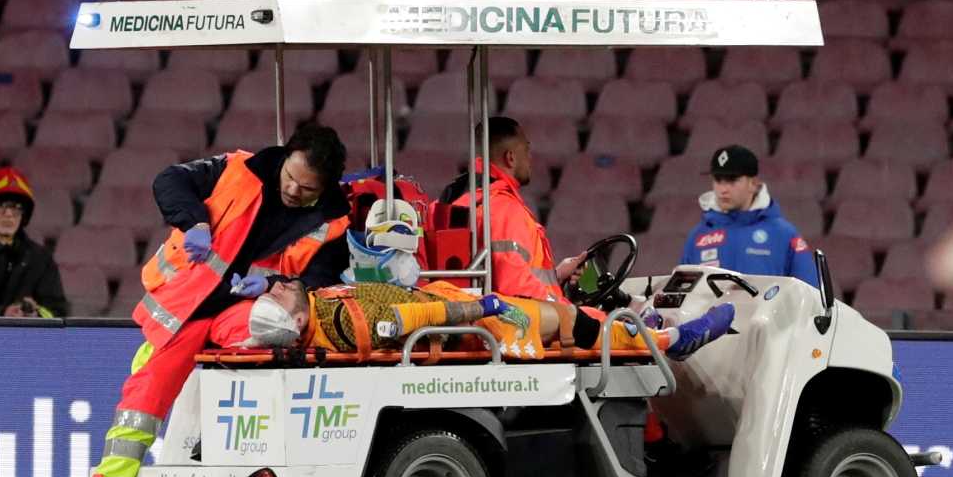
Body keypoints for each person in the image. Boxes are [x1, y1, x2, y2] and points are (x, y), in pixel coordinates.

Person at [85, 123, 352, 477]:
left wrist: (274, 285)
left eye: (308, 188)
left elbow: (319, 281)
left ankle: (213, 442)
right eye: (291, 178)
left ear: (326, 187)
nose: (295, 191)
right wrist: (194, 221)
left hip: (245, 308)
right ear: (285, 157)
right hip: (188, 305)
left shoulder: (332, 223)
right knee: (147, 392)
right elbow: (170, 180)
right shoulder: (237, 168)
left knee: (273, 338)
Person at [247, 279, 735, 365]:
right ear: (293, 316)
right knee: (565, 320)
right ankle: (668, 340)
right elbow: (417, 317)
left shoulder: (319, 309)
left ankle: (645, 330)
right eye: (276, 295)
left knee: (568, 316)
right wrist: (486, 308)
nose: (276, 286)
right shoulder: (343, 321)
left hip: (448, 301)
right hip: (465, 322)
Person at [435, 117, 587, 302]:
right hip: (510, 325)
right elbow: (517, 289)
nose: (530, 157)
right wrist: (572, 315)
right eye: (527, 149)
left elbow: (493, 278)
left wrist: (557, 277)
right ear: (511, 157)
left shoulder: (448, 202)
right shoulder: (503, 209)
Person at [680, 145, 818, 287]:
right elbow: (682, 297)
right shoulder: (697, 237)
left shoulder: (784, 234)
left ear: (752, 184)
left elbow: (810, 294)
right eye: (718, 180)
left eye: (732, 180)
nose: (722, 189)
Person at [0, 167, 69, 317]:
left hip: (26, 339)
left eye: (16, 207)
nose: (9, 214)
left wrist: (35, 314)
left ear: (24, 216)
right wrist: (0, 314)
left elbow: (59, 311)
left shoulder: (40, 258)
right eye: (0, 205)